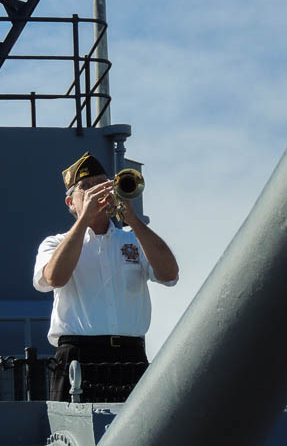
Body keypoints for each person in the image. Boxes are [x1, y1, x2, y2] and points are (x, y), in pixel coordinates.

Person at [32, 151, 179, 402]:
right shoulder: (55, 243)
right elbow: (54, 277)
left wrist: (131, 216)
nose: (98, 191)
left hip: (130, 355)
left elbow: (169, 274)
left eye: (103, 183)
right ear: (70, 203)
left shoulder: (133, 239)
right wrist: (84, 220)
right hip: (78, 356)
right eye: (87, 187)